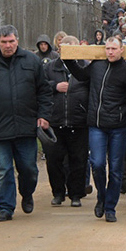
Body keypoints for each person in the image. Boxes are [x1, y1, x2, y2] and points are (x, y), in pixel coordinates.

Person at [0, 25, 53, 222]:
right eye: (4, 42)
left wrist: (44, 115)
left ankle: (27, 193)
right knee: (3, 169)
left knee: (29, 169)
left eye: (12, 41)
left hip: (26, 127)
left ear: (18, 41)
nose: (8, 46)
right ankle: (5, 207)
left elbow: (44, 91)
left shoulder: (32, 61)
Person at [64, 36, 126, 222]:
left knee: (115, 169)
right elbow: (81, 75)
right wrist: (67, 57)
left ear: (122, 50)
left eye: (114, 48)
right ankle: (101, 196)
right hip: (97, 125)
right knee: (97, 164)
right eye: (108, 48)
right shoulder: (97, 66)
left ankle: (110, 207)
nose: (110, 52)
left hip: (119, 127)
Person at [42, 35, 90, 208]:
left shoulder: (85, 67)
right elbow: (40, 87)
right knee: (54, 159)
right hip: (55, 121)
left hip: (79, 121)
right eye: (64, 48)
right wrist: (55, 86)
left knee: (78, 159)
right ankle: (58, 192)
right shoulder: (49, 68)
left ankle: (76, 194)